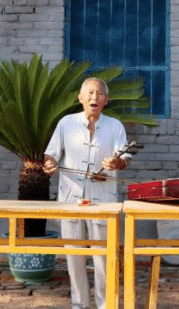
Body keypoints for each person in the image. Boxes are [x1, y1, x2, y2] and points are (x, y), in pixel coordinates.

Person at [43, 77, 131, 309]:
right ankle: (79, 305)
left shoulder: (115, 127)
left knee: (103, 257)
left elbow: (124, 159)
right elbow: (50, 154)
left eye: (99, 94)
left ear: (106, 100)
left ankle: (105, 305)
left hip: (102, 201)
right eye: (89, 93)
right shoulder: (66, 123)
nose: (94, 98)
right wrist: (50, 163)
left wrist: (116, 164)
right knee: (74, 258)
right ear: (80, 98)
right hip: (71, 200)